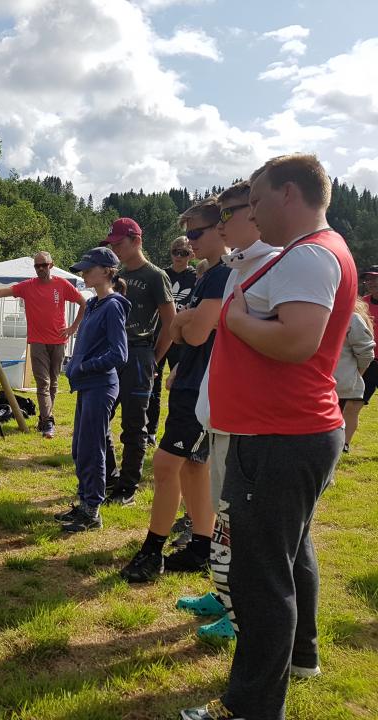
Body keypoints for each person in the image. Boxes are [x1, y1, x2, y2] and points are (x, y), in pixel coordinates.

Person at [182, 154, 357, 720]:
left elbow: (295, 341)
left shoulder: (308, 255)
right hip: (289, 431)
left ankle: (250, 708)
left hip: (280, 435)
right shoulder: (312, 253)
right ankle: (299, 656)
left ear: (288, 193)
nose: (251, 212)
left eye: (255, 201)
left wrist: (231, 318)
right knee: (287, 557)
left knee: (259, 581)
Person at [176, 179, 280, 642]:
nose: (209, 232)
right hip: (218, 408)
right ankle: (224, 596)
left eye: (225, 217)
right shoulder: (235, 268)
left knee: (236, 520)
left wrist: (189, 326)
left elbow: (197, 332)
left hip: (248, 419)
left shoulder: (272, 264)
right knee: (222, 517)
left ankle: (239, 612)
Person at [120, 199, 229, 583]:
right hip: (191, 380)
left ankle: (152, 552)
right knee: (195, 467)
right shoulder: (208, 275)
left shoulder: (222, 275)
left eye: (196, 234)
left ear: (222, 228)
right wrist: (184, 338)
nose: (190, 242)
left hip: (203, 389)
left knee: (166, 465)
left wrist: (185, 324)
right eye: (185, 237)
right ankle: (202, 545)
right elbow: (189, 330)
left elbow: (194, 331)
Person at [99, 218, 175, 505]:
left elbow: (171, 323)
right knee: (99, 417)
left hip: (139, 352)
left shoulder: (155, 276)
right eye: (112, 244)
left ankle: (127, 487)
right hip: (111, 354)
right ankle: (109, 476)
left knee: (134, 424)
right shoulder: (115, 275)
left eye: (119, 243)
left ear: (136, 240)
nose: (115, 248)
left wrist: (154, 359)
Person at [55, 247, 130, 532]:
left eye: (88, 268)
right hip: (88, 385)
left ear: (107, 272)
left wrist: (84, 366)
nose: (83, 273)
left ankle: (92, 512)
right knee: (80, 448)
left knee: (92, 447)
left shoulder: (112, 306)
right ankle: (85, 503)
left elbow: (119, 354)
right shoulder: (94, 304)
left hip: (101, 385)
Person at [0, 251, 86, 438]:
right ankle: (48, 422)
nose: (40, 268)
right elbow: (1, 291)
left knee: (53, 382)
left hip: (59, 341)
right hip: (37, 342)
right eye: (37, 266)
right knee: (43, 383)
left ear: (51, 265)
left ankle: (45, 418)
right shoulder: (28, 286)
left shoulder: (62, 284)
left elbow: (83, 302)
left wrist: (73, 327)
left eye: (44, 265)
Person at [146, 236, 197, 446]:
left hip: (183, 339)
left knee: (179, 385)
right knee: (153, 384)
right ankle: (150, 432)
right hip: (161, 335)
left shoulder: (196, 277)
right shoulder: (162, 275)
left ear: (191, 255)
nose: (178, 256)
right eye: (175, 252)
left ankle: (175, 432)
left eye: (183, 253)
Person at [334, 298, 375, 452]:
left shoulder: (352, 319)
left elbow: (366, 353)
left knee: (349, 411)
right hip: (320, 382)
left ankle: (343, 444)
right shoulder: (314, 315)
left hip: (342, 382)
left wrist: (357, 373)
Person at [358, 266, 378, 403]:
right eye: (368, 280)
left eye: (375, 278)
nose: (371, 282)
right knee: (355, 403)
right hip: (369, 361)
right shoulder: (362, 304)